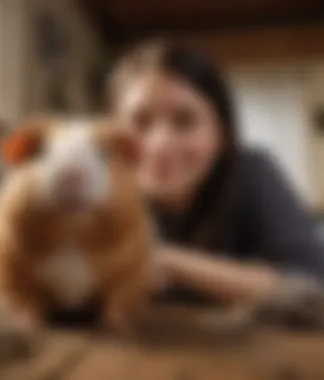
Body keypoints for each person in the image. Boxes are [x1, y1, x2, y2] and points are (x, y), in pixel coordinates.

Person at [106, 40, 324, 308]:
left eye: (185, 121)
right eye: (140, 122)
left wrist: (167, 261)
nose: (159, 145)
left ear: (221, 134)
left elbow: (313, 288)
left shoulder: (252, 173)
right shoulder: (99, 192)